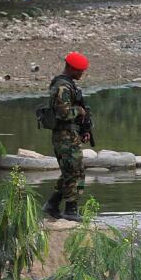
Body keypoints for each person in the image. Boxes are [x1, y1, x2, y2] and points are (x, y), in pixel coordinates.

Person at [42, 51, 91, 222]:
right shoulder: (63, 86)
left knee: (72, 171)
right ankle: (70, 210)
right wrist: (80, 111)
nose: (81, 74)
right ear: (70, 68)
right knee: (73, 172)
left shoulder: (66, 84)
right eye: (79, 70)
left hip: (69, 134)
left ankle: (53, 204)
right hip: (65, 136)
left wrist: (83, 128)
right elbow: (62, 113)